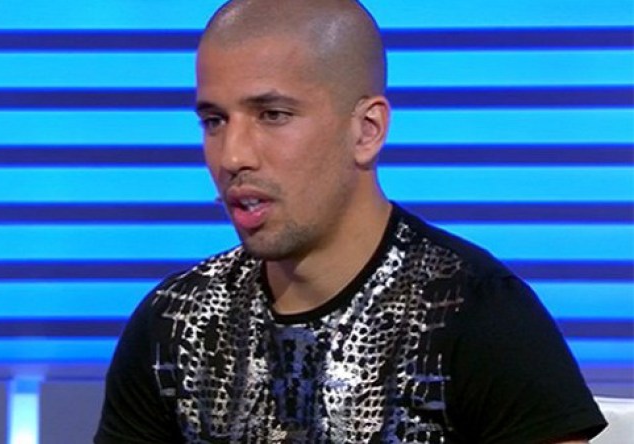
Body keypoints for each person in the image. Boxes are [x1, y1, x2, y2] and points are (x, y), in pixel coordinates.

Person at [94, 1, 607, 442]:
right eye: (214, 120)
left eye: (272, 115)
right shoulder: (175, 322)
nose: (232, 156)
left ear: (367, 130)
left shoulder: (475, 315)